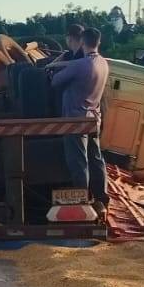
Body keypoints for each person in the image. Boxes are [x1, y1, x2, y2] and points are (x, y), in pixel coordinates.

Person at [47, 26, 109, 208]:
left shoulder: (79, 65)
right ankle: (101, 197)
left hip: (75, 120)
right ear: (98, 42)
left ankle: (81, 203)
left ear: (82, 41)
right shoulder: (103, 63)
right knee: (96, 159)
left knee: (78, 162)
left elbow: (55, 82)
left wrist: (52, 69)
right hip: (94, 118)